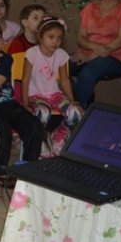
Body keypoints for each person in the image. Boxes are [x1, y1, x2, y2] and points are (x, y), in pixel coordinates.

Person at [0, 19, 43, 187]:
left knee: (34, 125)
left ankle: (28, 168)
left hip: (7, 103)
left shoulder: (6, 59)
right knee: (3, 129)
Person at [23, 16, 83, 155]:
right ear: (40, 36)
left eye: (59, 38)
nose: (55, 41)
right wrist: (25, 103)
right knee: (42, 113)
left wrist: (72, 100)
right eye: (51, 37)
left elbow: (65, 80)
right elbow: (25, 80)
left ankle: (59, 134)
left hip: (55, 95)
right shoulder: (32, 53)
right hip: (36, 96)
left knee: (74, 113)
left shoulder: (61, 54)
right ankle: (41, 138)